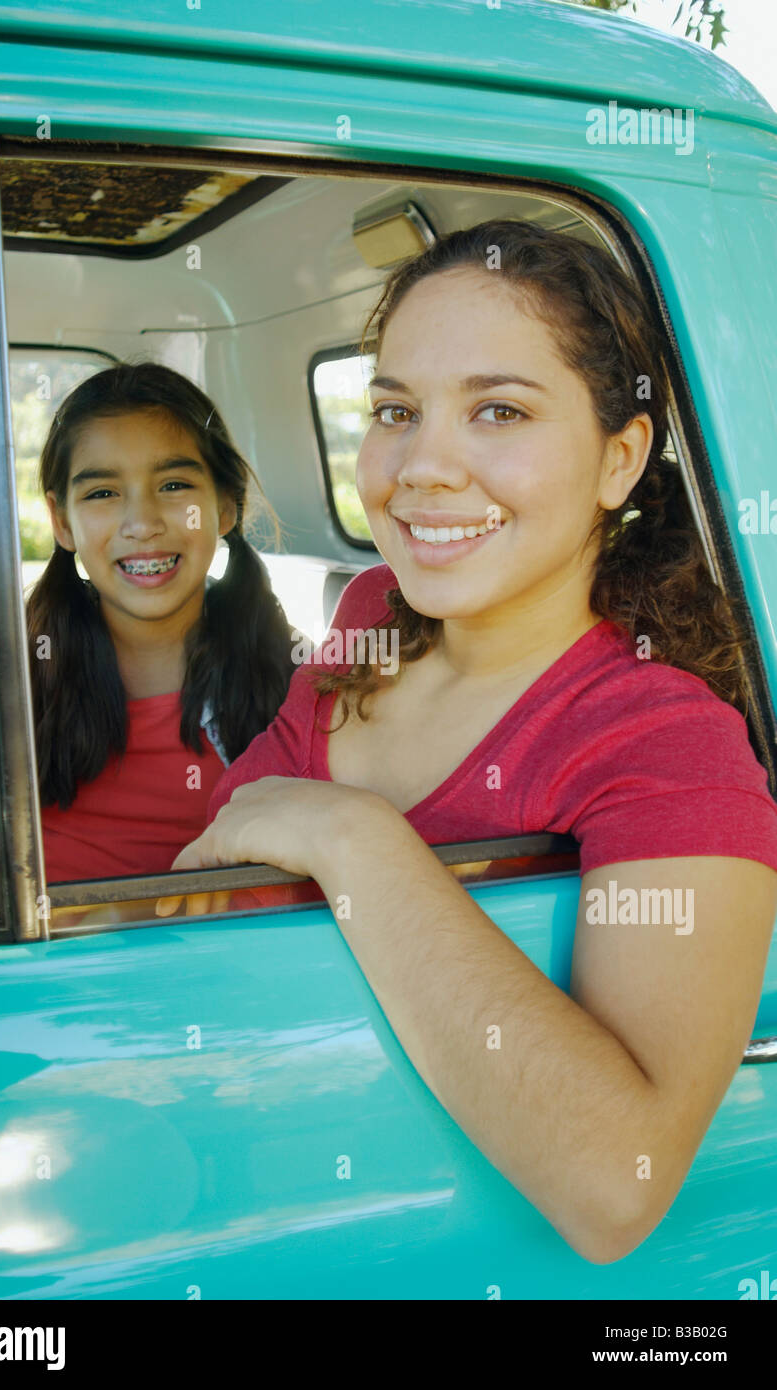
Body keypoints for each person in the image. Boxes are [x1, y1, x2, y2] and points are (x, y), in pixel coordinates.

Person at [163, 220, 777, 1263]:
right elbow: (209, 866)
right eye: (394, 410)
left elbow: (614, 1188)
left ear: (617, 459)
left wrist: (355, 841)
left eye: (497, 410)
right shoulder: (369, 610)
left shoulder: (665, 744)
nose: (418, 468)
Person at [0, 362, 295, 903]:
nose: (141, 523)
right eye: (102, 494)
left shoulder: (302, 684)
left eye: (173, 485)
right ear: (61, 521)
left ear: (226, 506)